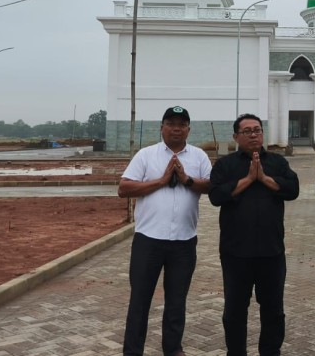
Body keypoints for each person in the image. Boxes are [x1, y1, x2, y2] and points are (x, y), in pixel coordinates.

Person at [117, 105, 212, 356]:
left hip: (184, 241)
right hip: (148, 241)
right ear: (161, 127)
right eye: (171, 123)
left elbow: (212, 187)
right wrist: (160, 181)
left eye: (182, 124)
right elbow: (124, 188)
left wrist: (186, 179)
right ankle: (132, 351)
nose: (176, 128)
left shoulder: (199, 156)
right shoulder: (146, 155)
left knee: (176, 300)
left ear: (188, 129)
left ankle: (173, 348)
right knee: (140, 300)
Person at [208, 114, 300, 356]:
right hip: (235, 253)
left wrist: (265, 179)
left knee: (273, 311)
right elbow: (216, 196)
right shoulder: (225, 165)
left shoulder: (278, 163)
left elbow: (293, 189)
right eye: (247, 131)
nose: (253, 135)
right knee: (235, 312)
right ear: (236, 136)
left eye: (257, 130)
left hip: (272, 252)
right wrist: (249, 179)